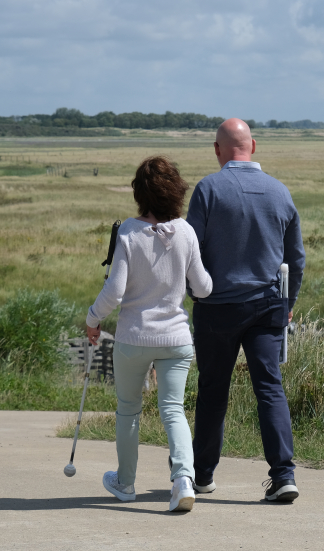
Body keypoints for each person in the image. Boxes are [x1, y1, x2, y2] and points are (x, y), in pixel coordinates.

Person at [186, 118, 305, 501]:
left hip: (217, 307)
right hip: (267, 305)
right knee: (270, 389)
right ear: (253, 146)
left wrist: (194, 293)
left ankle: (202, 474)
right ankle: (283, 474)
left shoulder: (208, 188)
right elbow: (296, 259)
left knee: (213, 391)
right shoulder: (280, 191)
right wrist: (289, 303)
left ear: (218, 150)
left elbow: (191, 252)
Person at [86, 156, 213, 512]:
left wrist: (93, 319)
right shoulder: (186, 231)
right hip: (176, 339)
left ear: (139, 192)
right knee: (174, 409)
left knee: (129, 410)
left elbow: (115, 291)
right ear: (177, 191)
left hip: (133, 337)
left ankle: (125, 483)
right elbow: (203, 288)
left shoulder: (128, 230)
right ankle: (183, 480)